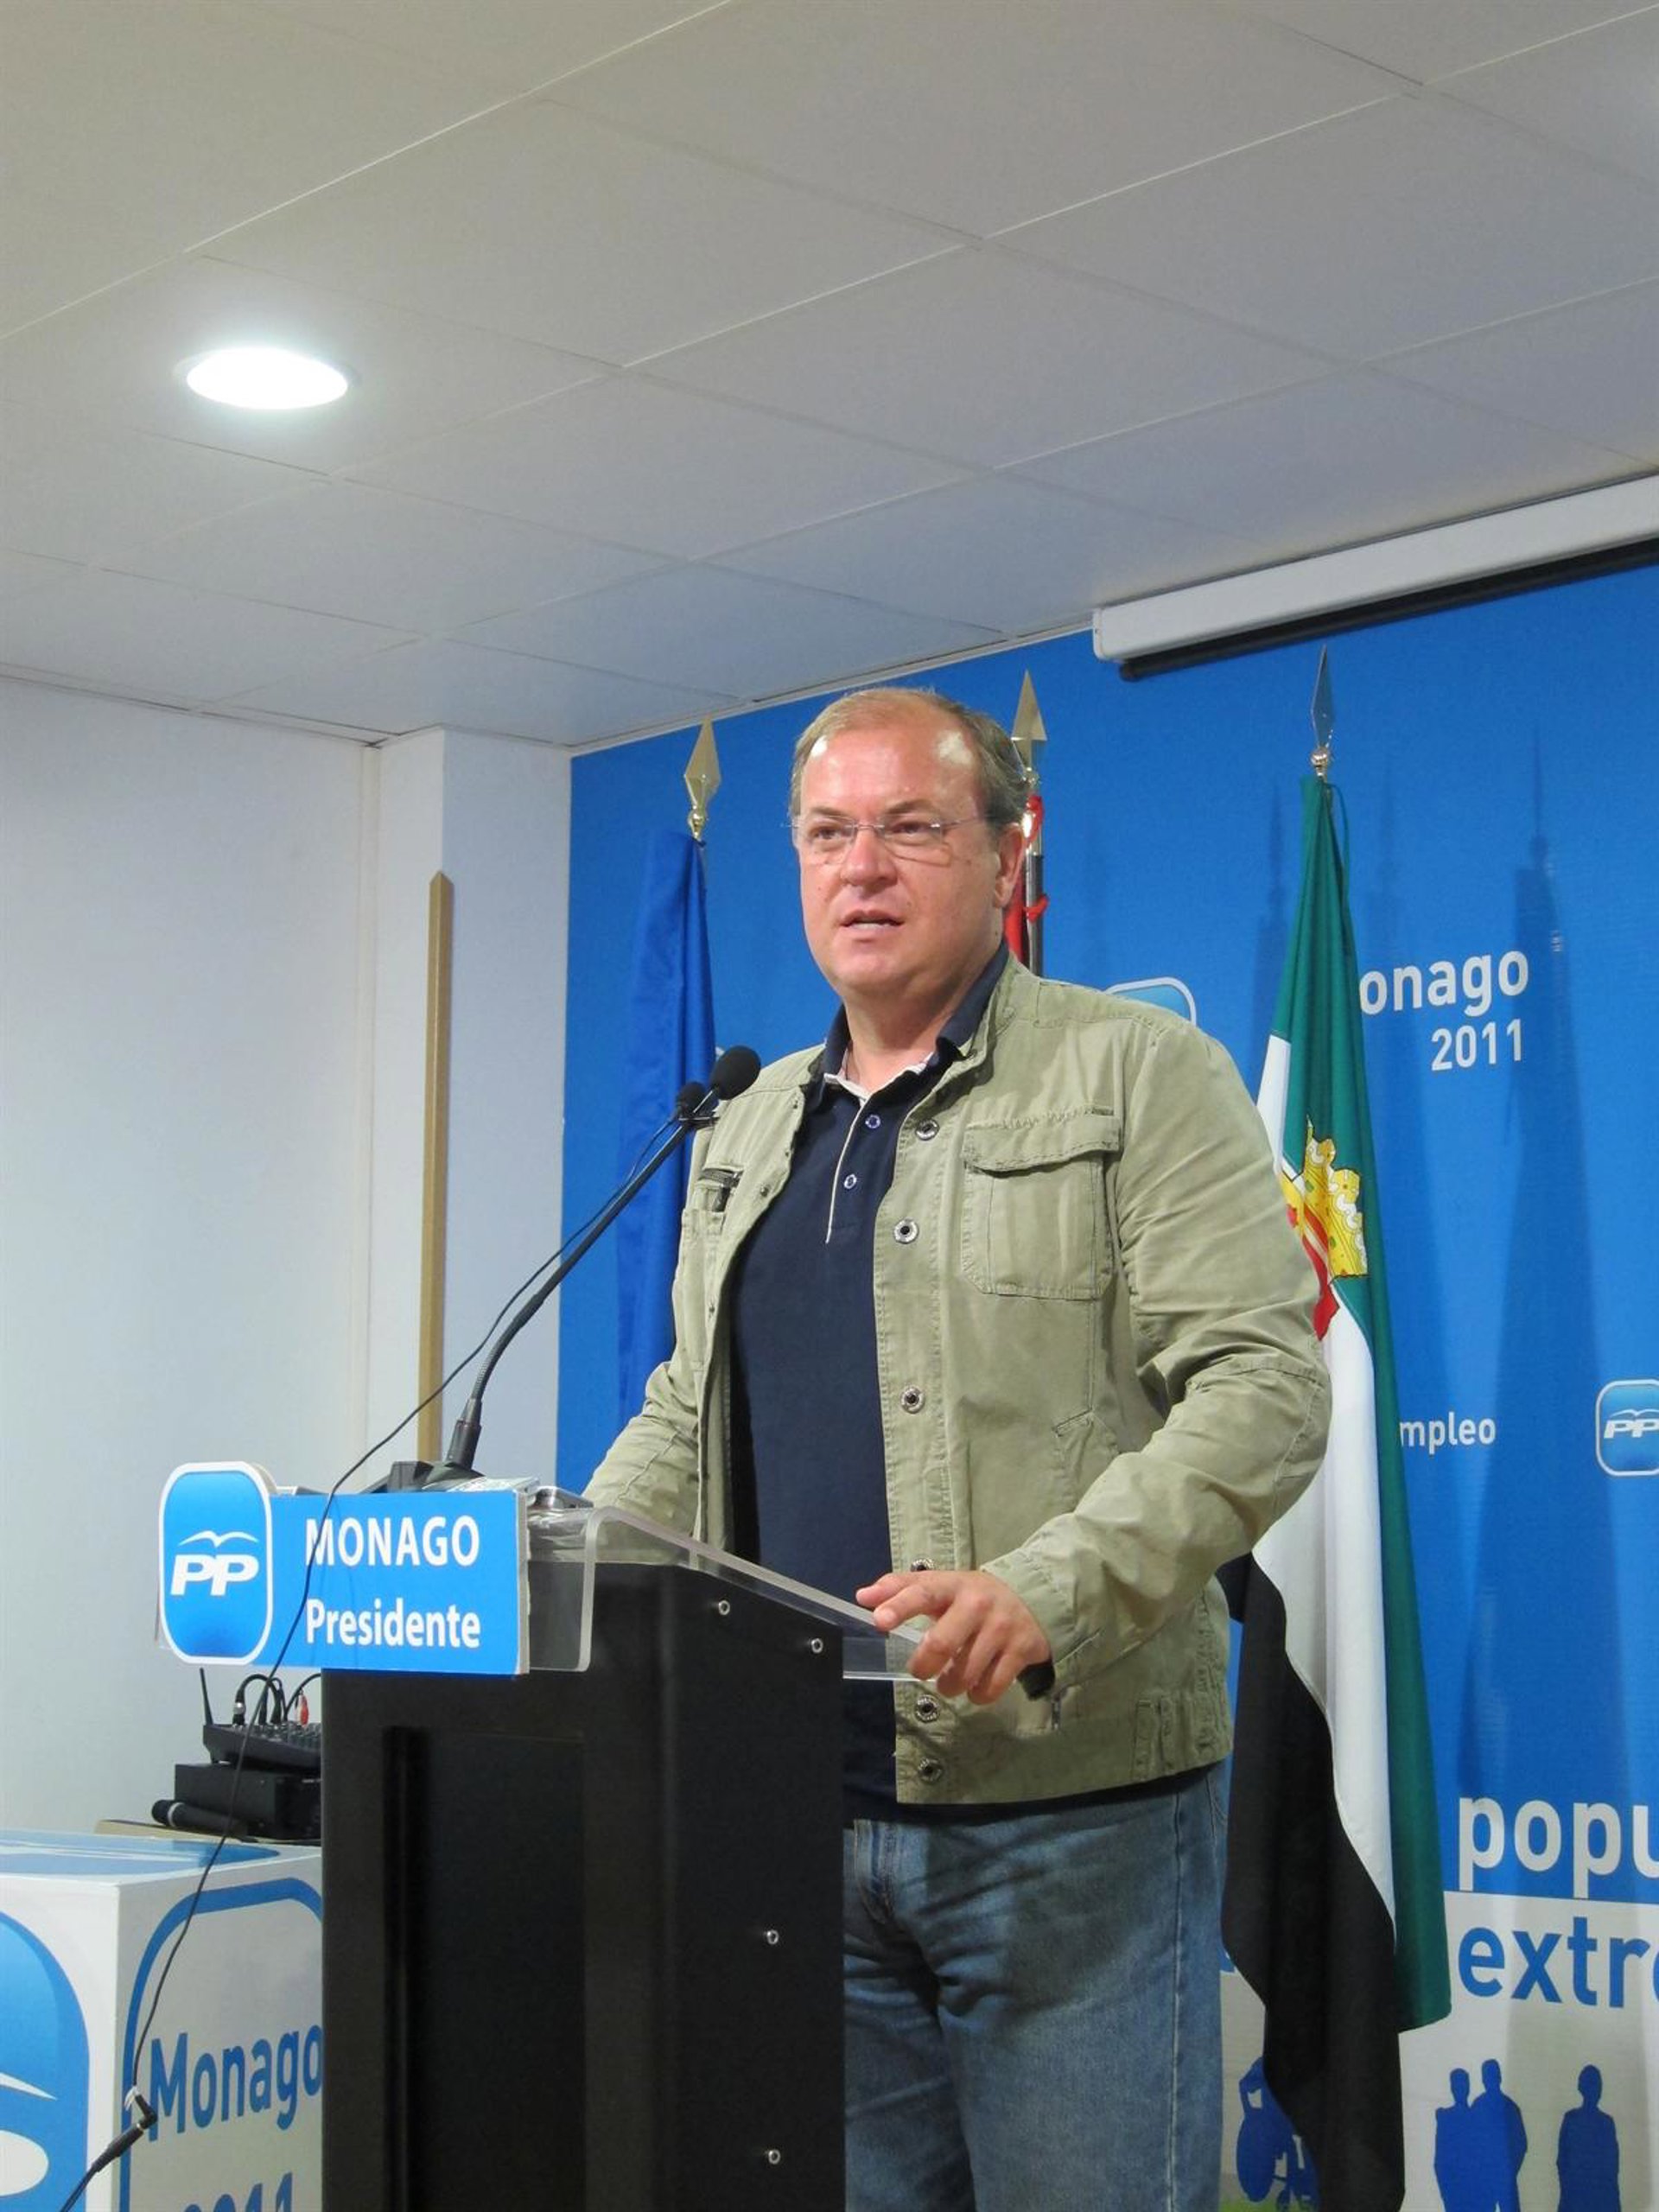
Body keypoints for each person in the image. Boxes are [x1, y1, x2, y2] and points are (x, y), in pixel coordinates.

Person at [587, 685, 1331, 2211]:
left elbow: (1264, 1389)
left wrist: (1048, 1591)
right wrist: (556, 1567)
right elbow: (686, 1414)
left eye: (909, 828)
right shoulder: (745, 1126)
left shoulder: (1139, 1076)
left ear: (1006, 852)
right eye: (826, 835)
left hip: (1069, 1830)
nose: (860, 868)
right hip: (796, 1818)